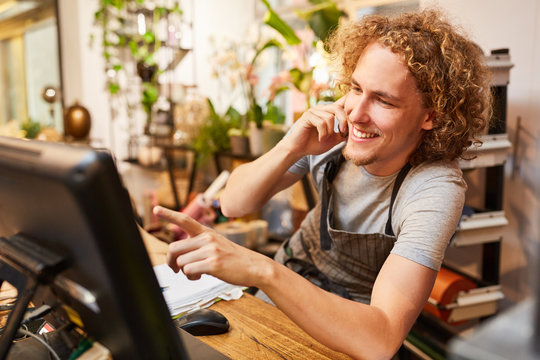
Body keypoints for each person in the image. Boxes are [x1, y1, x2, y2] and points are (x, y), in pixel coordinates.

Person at [153, 9, 492, 359]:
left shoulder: (435, 188)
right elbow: (233, 204)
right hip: (276, 300)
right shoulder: (334, 133)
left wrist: (261, 268)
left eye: (383, 100)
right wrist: (291, 146)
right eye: (356, 88)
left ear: (430, 116)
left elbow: (381, 339)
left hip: (348, 331)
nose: (357, 113)